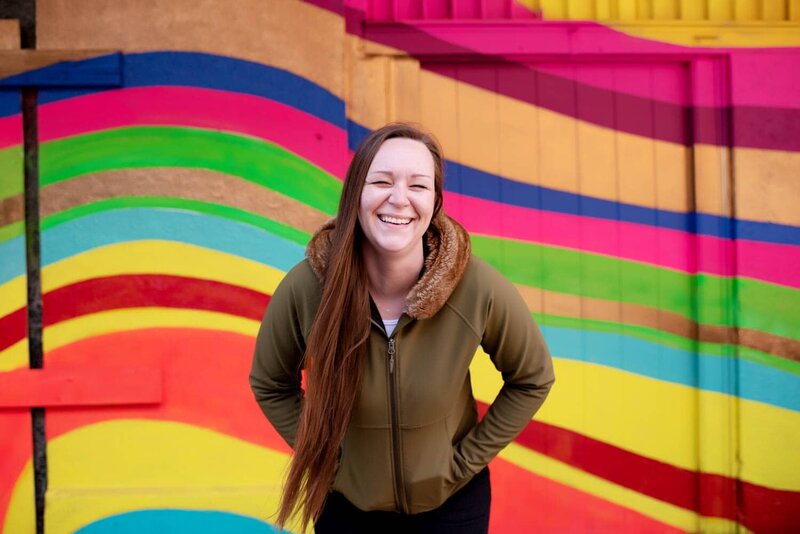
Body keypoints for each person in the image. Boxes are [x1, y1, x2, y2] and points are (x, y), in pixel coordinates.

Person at [249, 123, 555, 533]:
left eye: (418, 185)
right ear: (356, 192)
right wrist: (329, 460)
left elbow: (533, 377)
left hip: (452, 510)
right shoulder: (308, 287)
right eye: (381, 181)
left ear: (435, 201)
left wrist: (463, 463)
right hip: (346, 510)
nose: (399, 199)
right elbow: (270, 383)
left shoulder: (474, 285)